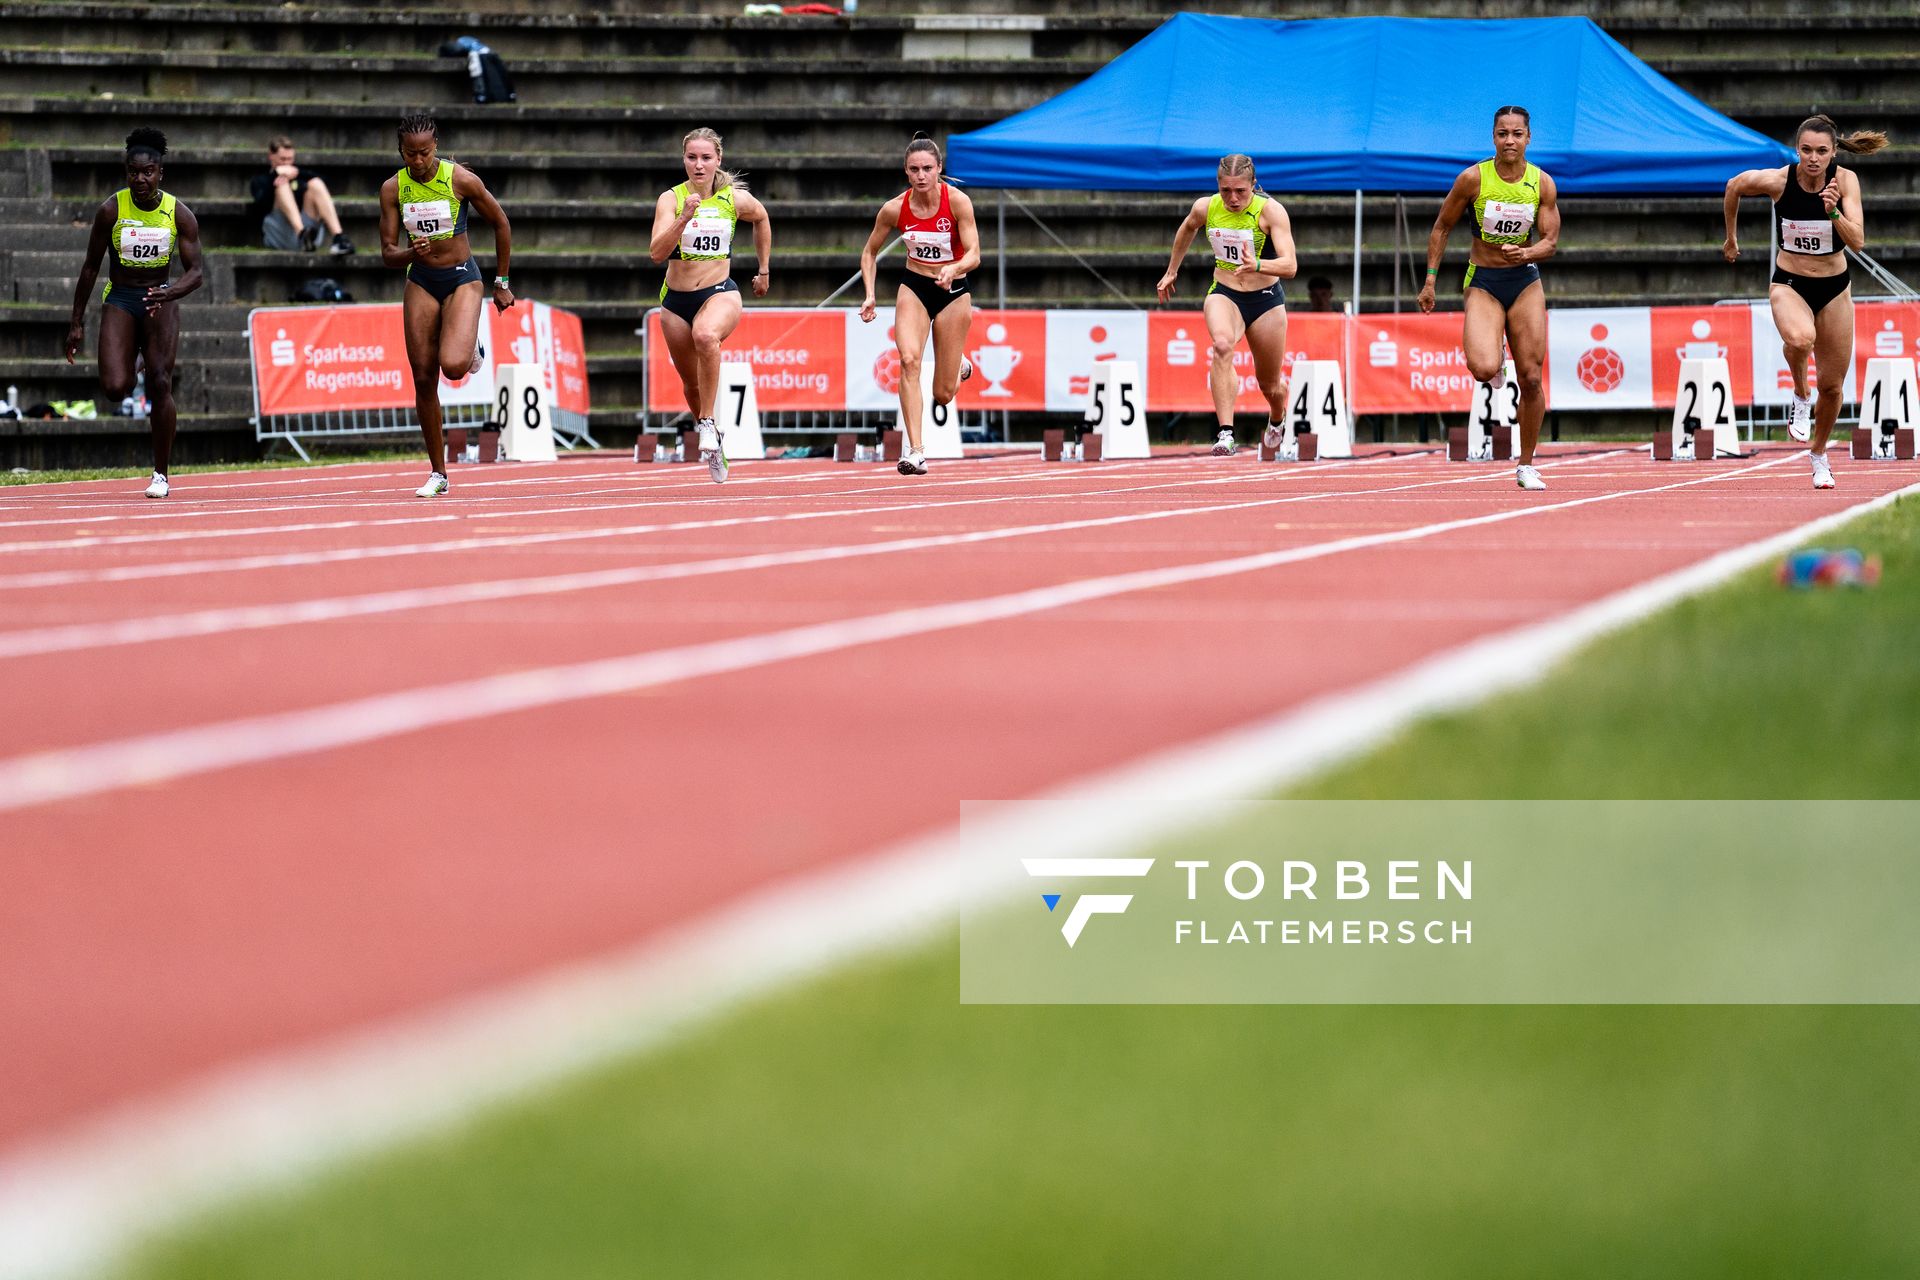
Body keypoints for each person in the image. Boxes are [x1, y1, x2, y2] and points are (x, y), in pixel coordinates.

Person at [1723, 114, 1887, 489]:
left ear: (1833, 152)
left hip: (1834, 287)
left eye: (1822, 151)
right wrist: (1731, 238)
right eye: (1807, 150)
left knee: (1832, 387)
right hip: (1790, 282)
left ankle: (1819, 455)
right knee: (1799, 339)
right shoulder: (1779, 180)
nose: (1814, 158)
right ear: (1797, 150)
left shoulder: (1845, 182)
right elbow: (1734, 186)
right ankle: (1800, 393)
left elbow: (1858, 241)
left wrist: (1832, 211)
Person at [1418, 106, 1560, 491]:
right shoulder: (1472, 179)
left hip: (1524, 281)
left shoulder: (1542, 183)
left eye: (1517, 134)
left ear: (1529, 138)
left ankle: (1527, 463)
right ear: (1493, 137)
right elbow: (1442, 227)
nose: (1509, 140)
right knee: (1483, 369)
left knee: (1531, 377)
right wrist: (1430, 281)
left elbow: (1549, 240)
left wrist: (1527, 254)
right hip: (1483, 280)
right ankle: (1493, 354)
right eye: (1502, 134)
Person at [62, 127, 204, 499]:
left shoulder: (179, 214)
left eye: (148, 172)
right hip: (122, 298)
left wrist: (169, 293)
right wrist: (76, 322)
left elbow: (196, 273)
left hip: (161, 298)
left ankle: (161, 474)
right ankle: (136, 359)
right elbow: (91, 267)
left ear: (160, 174)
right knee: (114, 388)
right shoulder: (110, 210)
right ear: (126, 172)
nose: (140, 179)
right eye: (133, 172)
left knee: (160, 382)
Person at [378, 113, 514, 497]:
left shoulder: (460, 179)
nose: (417, 162)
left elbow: (501, 224)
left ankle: (471, 345)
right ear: (400, 151)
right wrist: (409, 252)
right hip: (420, 279)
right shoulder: (393, 188)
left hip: (461, 277)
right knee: (423, 377)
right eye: (410, 154)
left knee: (453, 367)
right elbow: (387, 253)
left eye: (424, 153)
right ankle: (439, 472)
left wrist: (501, 282)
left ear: (435, 146)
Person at [648, 126, 773, 485]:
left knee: (706, 336)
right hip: (675, 301)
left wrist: (763, 270)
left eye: (706, 158)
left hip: (720, 291)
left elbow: (762, 217)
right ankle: (714, 438)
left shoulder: (733, 200)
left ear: (718, 160)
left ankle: (705, 423)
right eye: (692, 158)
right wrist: (684, 217)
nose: (698, 165)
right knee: (690, 385)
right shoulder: (670, 200)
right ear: (683, 160)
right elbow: (657, 253)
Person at [1156, 154, 1297, 456]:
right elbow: (1187, 228)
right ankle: (1225, 433)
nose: (1233, 198)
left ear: (1253, 185)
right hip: (1225, 293)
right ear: (1218, 186)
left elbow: (1290, 266)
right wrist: (1171, 271)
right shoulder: (1206, 207)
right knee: (1221, 345)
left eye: (1240, 192)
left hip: (1266, 301)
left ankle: (1277, 418)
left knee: (1270, 386)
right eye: (1226, 191)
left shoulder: (1271, 212)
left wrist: (1257, 264)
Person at [858, 132, 979, 477]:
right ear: (906, 172)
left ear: (939, 168)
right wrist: (870, 292)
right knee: (909, 360)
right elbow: (869, 252)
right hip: (914, 286)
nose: (921, 175)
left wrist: (954, 268)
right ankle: (916, 451)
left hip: (953, 291)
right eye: (914, 169)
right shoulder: (894, 209)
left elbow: (975, 253)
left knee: (943, 394)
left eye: (927, 168)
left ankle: (959, 368)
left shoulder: (957, 202)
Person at [249, 135, 354, 254]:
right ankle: (302, 235)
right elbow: (260, 205)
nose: (287, 163)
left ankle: (339, 238)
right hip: (278, 234)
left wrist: (297, 173)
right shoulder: (260, 180)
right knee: (281, 185)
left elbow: (325, 184)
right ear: (271, 156)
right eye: (282, 159)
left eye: (290, 159)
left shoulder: (300, 175)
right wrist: (276, 176)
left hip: (310, 234)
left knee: (316, 183)